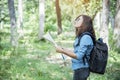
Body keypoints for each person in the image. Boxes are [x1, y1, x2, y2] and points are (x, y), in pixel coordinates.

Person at [55, 15, 96, 80]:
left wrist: (62, 51)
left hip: (82, 69)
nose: (76, 21)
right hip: (79, 68)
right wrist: (63, 49)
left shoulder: (86, 37)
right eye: (76, 19)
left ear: (85, 22)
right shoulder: (81, 36)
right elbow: (76, 52)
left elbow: (79, 56)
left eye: (79, 19)